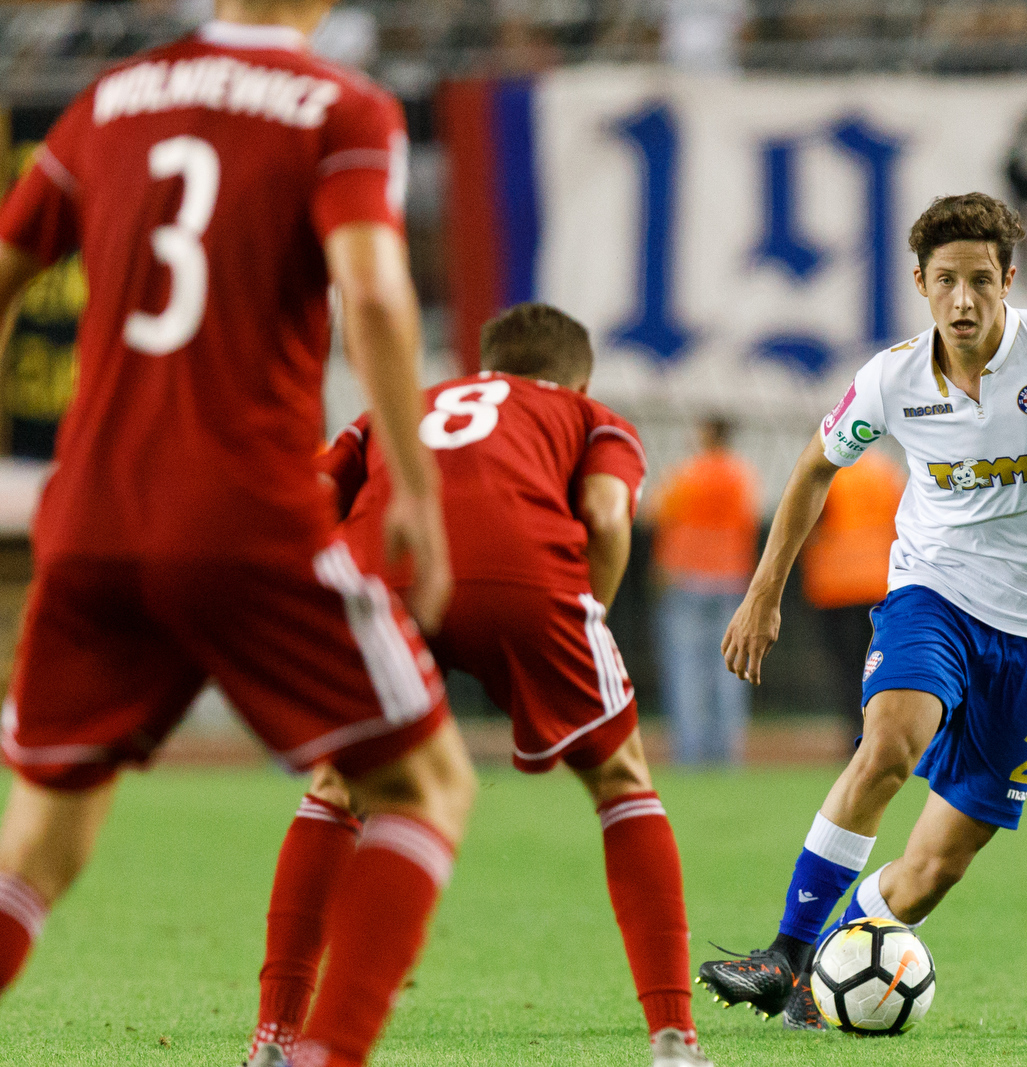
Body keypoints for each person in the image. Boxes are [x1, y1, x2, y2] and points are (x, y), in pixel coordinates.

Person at [0, 4, 479, 1067]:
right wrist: (410, 477)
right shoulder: (342, 108)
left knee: (36, 841)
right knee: (427, 783)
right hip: (243, 516)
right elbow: (375, 294)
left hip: (88, 521)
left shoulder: (110, 97)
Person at [697, 192, 1027, 1028]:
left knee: (938, 865)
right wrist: (764, 591)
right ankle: (788, 952)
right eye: (945, 280)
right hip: (934, 594)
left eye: (980, 281)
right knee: (888, 745)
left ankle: (822, 985)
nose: (963, 300)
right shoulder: (890, 377)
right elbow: (813, 468)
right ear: (919, 282)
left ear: (1008, 279)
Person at [251, 303, 711, 1067]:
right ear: (578, 377)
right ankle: (673, 1039)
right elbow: (603, 514)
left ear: (481, 366)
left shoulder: (398, 409)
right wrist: (586, 606)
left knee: (338, 788)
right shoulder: (589, 415)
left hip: (387, 564)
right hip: (523, 574)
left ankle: (273, 1039)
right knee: (622, 781)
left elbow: (310, 501)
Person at [649, 416, 760, 765]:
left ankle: (690, 753)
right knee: (731, 669)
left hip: (685, 575)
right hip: (731, 577)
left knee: (686, 668)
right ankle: (728, 754)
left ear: (705, 434)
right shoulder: (743, 476)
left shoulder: (687, 473)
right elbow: (750, 521)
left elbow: (655, 512)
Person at [799, 450, 905, 753]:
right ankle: (879, 732)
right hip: (879, 581)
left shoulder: (831, 471)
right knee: (875, 663)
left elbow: (810, 520)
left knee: (845, 666)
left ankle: (856, 736)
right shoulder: (886, 471)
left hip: (835, 583)